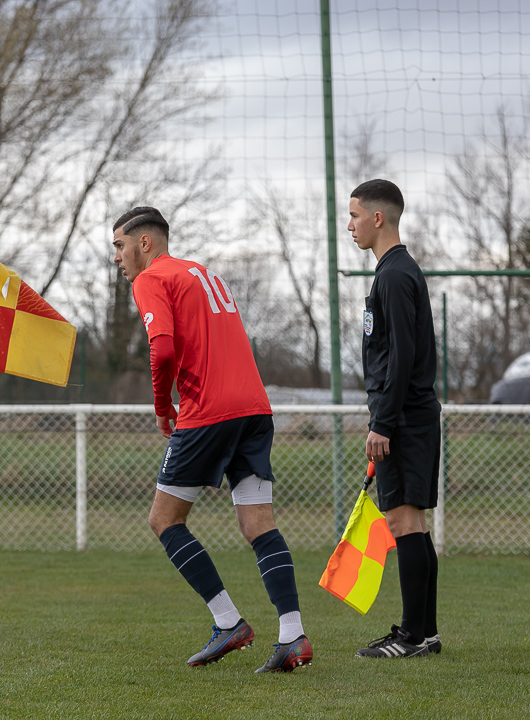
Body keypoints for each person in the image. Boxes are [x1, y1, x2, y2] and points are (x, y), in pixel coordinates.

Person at [112, 206, 312, 673]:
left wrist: (164, 409)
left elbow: (161, 350)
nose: (118, 258)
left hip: (208, 413)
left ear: (145, 243)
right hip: (256, 410)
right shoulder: (203, 274)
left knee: (164, 520)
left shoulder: (151, 279)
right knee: (258, 524)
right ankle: (292, 635)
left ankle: (229, 622)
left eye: (119, 246)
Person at [347, 179, 442, 659]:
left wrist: (382, 422)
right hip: (410, 415)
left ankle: (411, 636)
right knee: (413, 523)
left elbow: (402, 357)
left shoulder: (394, 275)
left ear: (378, 218)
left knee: (404, 521)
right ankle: (425, 632)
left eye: (355, 215)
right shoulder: (395, 272)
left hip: (403, 419)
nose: (351, 226)